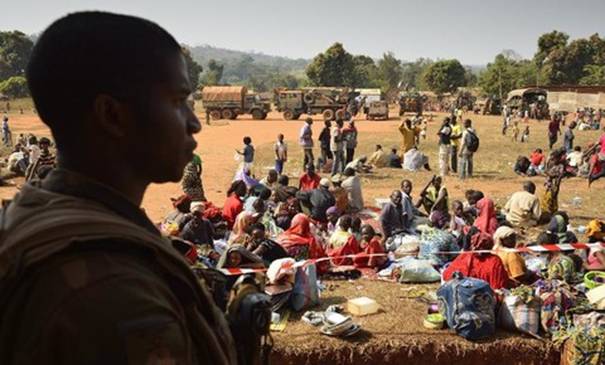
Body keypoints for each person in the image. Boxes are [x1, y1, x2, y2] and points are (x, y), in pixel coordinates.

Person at [0, 12, 236, 365]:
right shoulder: (117, 293)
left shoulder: (34, 210)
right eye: (177, 101)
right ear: (111, 115)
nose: (194, 122)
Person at [443, 230, 510, 290]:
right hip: (485, 298)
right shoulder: (494, 261)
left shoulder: (464, 256)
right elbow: (498, 286)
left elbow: (446, 275)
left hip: (462, 295)